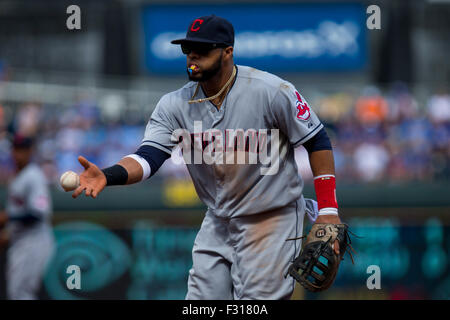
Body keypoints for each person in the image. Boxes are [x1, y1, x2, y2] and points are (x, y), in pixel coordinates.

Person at [70, 15, 343, 300]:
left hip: (272, 217)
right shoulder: (174, 105)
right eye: (188, 49)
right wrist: (108, 174)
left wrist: (328, 210)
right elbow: (148, 158)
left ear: (228, 52)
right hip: (219, 218)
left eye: (202, 49)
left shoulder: (271, 91)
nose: (193, 56)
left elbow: (317, 140)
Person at [0, 134, 55, 299]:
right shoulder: (16, 175)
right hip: (20, 242)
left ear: (30, 151)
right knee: (17, 292)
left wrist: (8, 217)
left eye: (22, 150)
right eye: (16, 150)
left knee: (21, 292)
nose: (18, 154)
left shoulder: (34, 176)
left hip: (34, 242)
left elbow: (38, 214)